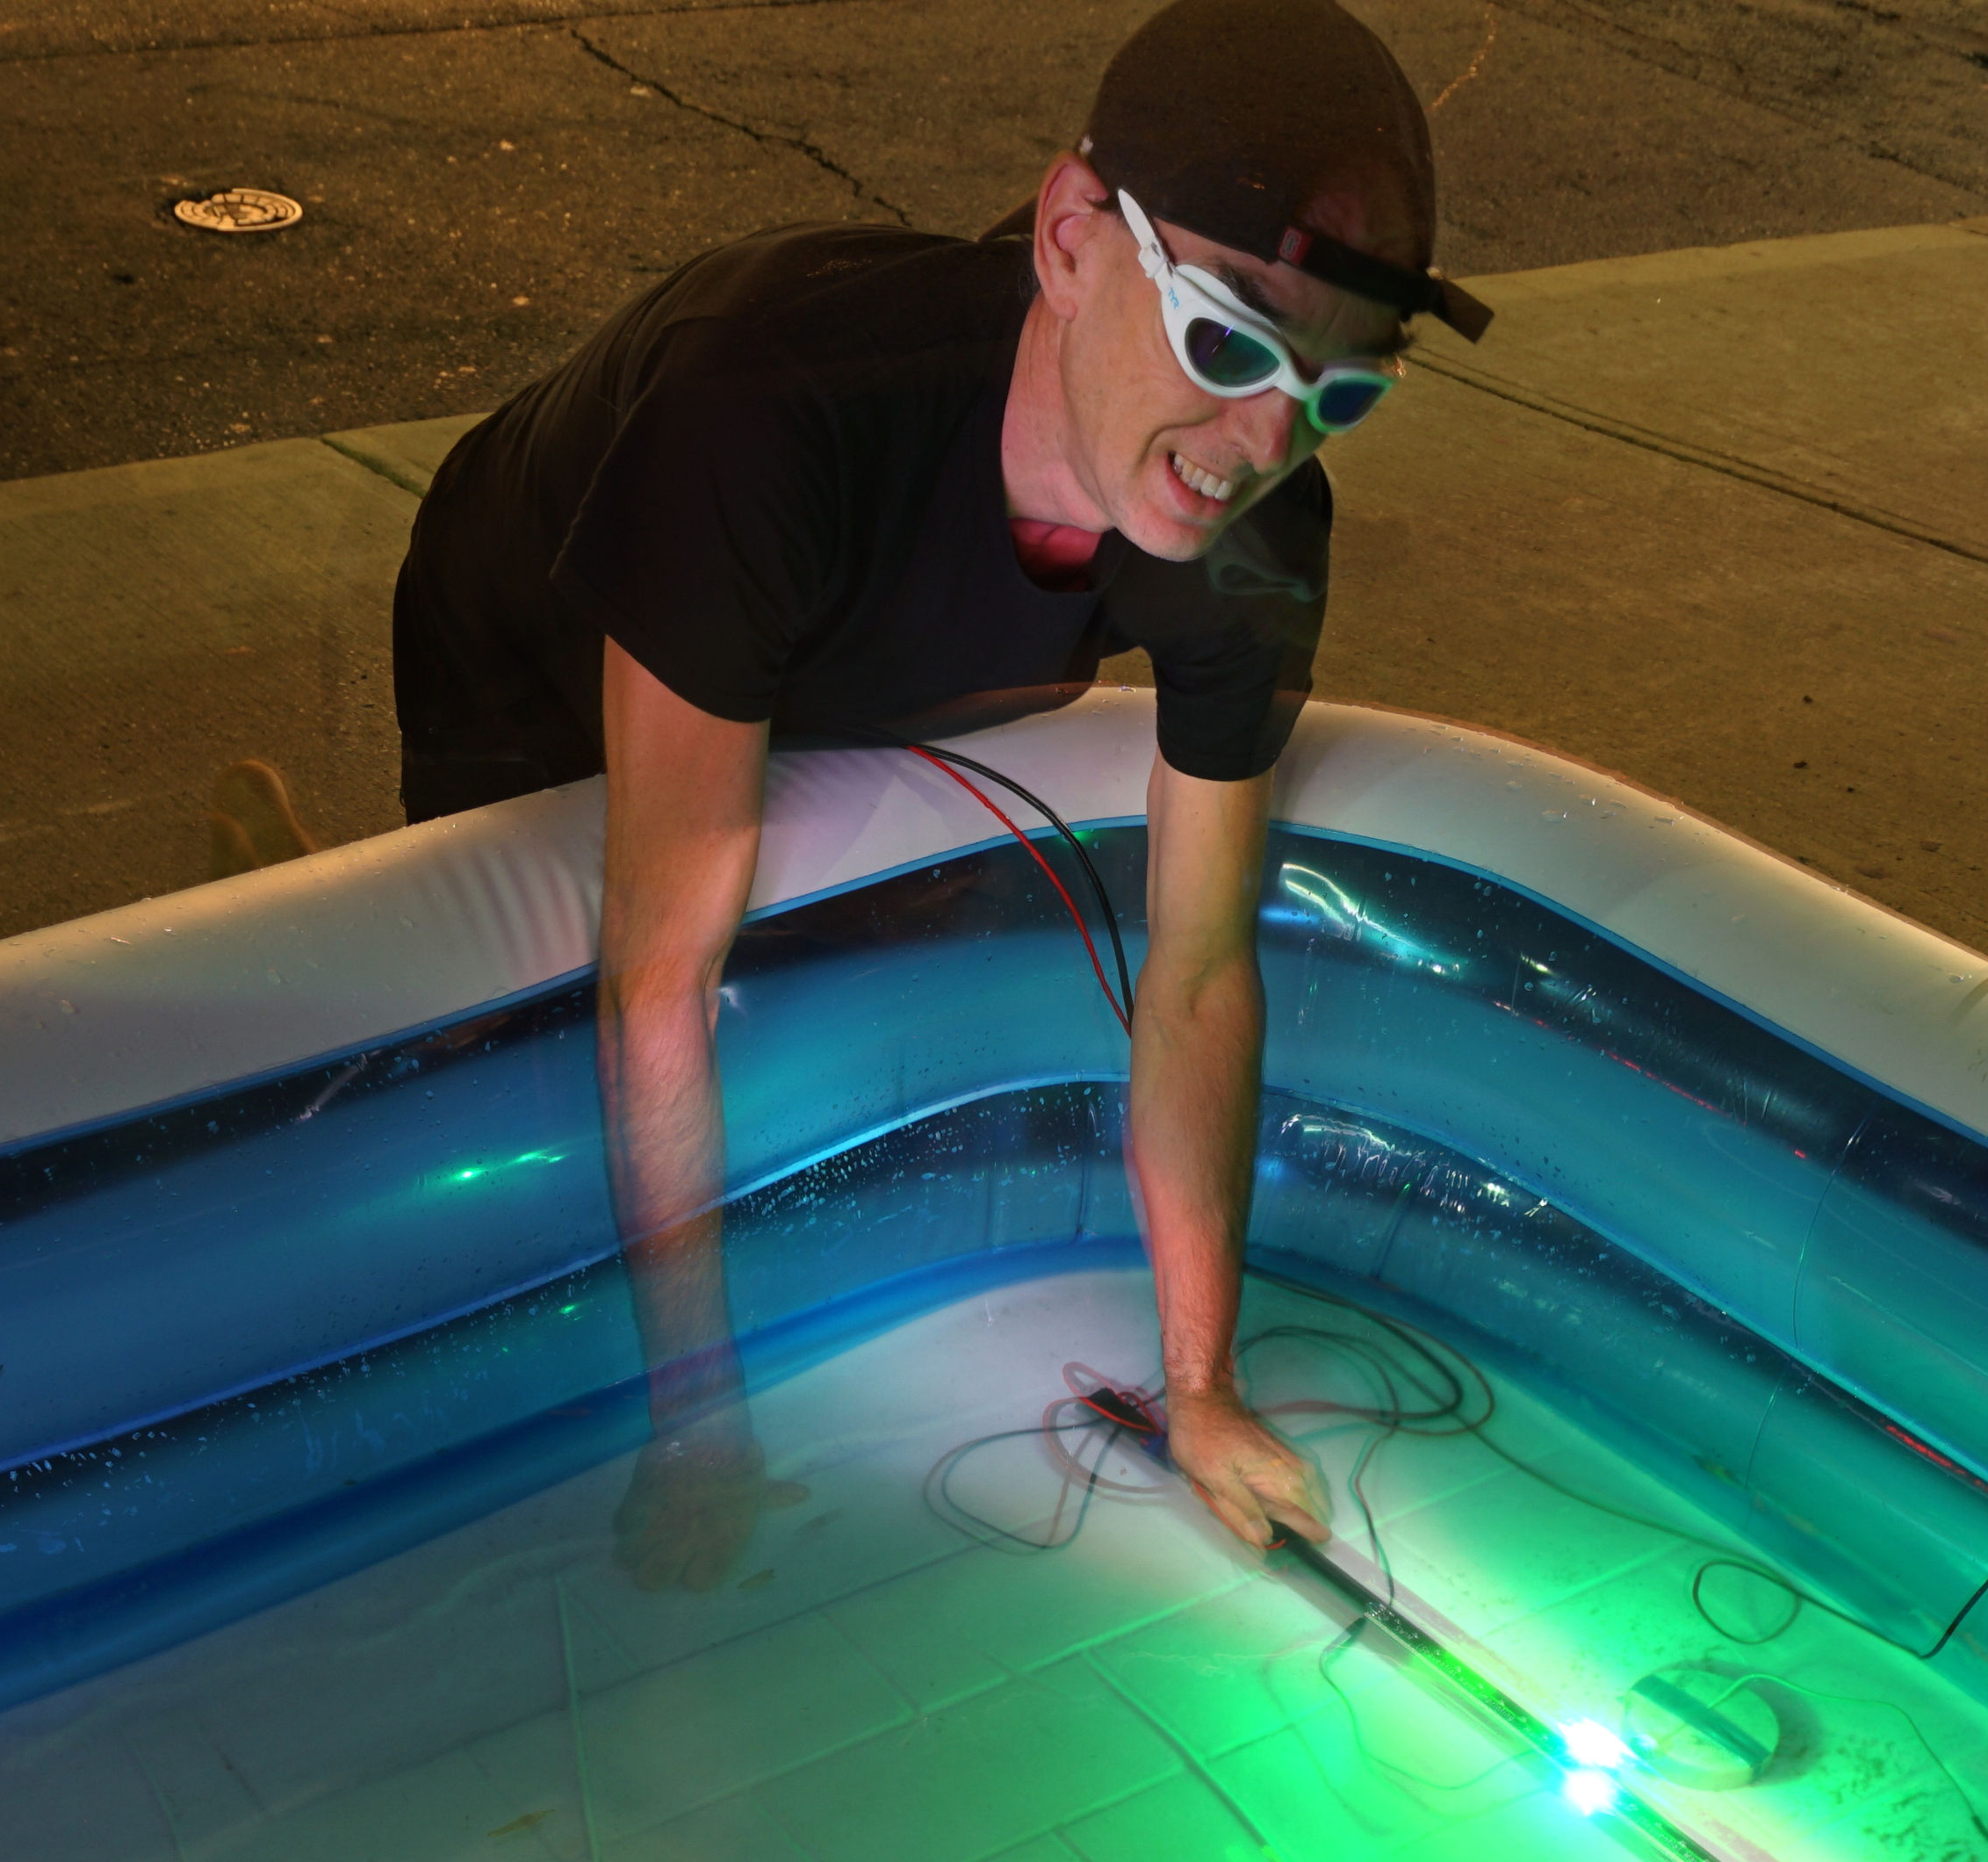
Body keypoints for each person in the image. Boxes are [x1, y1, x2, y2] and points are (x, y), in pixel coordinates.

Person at [288, 0, 1492, 1588]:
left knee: (816, 959)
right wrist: (696, 1422)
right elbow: (657, 981)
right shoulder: (766, 414)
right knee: (510, 1036)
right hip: (539, 611)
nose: (1266, 437)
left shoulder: (1252, 527)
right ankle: (296, 893)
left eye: (1342, 389)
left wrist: (1200, 1389)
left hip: (827, 628)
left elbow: (1199, 969)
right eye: (1227, 337)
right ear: (1072, 238)